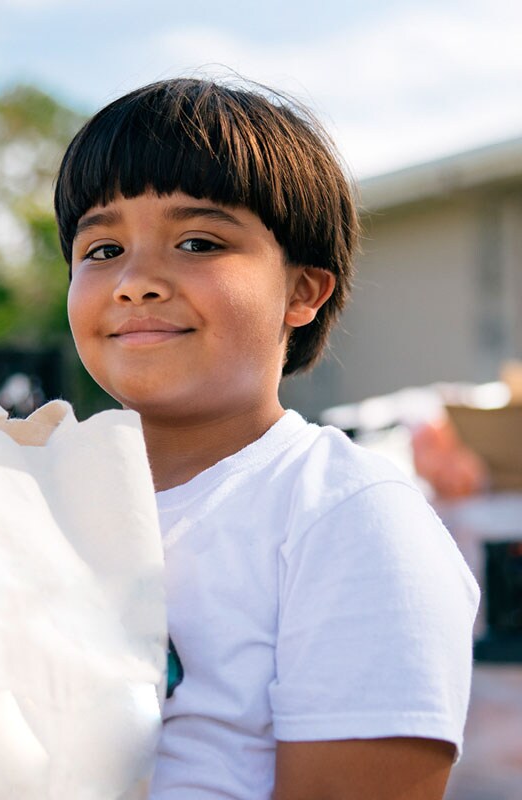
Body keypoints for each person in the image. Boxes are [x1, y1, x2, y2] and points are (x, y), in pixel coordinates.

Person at [54, 78, 480, 799]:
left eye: (198, 242)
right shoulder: (29, 499)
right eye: (102, 248)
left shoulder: (347, 515)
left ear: (303, 292)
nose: (135, 281)